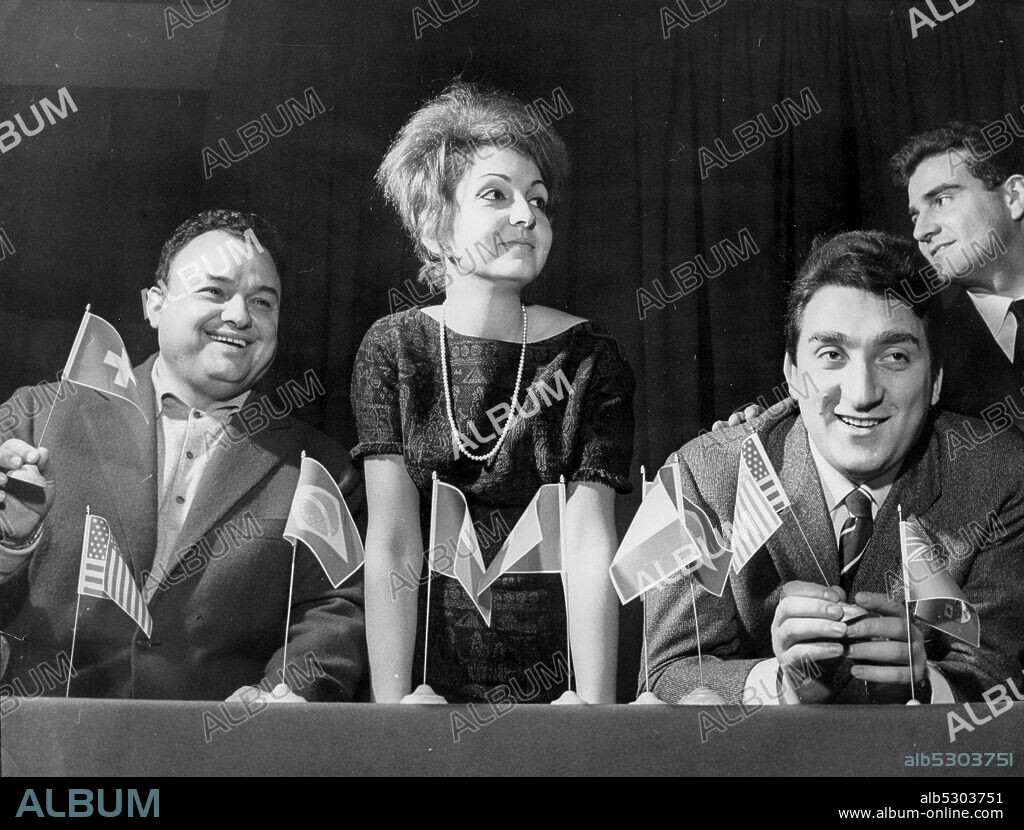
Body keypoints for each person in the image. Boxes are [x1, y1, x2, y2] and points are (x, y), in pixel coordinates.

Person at [0, 210, 366, 702]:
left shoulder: (319, 468)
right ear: (154, 305)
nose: (239, 315)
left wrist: (282, 695)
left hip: (217, 756)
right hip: (42, 745)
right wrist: (9, 546)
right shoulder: (34, 420)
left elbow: (336, 609)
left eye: (262, 302)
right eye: (214, 292)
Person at [645, 230, 1024, 705]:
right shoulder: (702, 476)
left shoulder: (1000, 475)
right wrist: (779, 682)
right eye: (832, 355)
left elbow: (1000, 667)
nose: (862, 391)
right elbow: (670, 666)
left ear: (935, 382)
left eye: (895, 356)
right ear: (791, 375)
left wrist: (926, 685)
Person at [353, 81, 634, 704]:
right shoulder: (393, 348)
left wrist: (593, 712)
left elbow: (591, 544)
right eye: (495, 195)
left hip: (557, 694)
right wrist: (392, 712)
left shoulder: (590, 356)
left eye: (538, 200)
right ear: (433, 227)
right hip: (427, 691)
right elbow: (395, 540)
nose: (525, 216)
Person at [893, 120, 1024, 436]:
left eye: (941, 200)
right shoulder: (924, 350)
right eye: (915, 214)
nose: (920, 231)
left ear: (1014, 197)